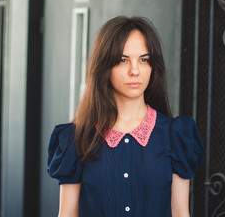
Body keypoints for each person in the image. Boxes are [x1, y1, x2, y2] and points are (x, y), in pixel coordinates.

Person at [47, 16, 204, 217]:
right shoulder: (76, 138)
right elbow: (67, 214)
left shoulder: (175, 136)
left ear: (153, 66)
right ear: (105, 66)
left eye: (144, 60)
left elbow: (180, 213)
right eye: (123, 60)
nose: (135, 71)